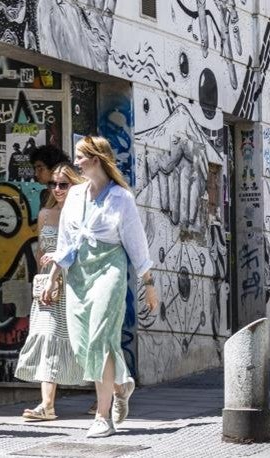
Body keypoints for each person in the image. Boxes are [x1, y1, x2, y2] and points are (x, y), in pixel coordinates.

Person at [42, 136, 158, 438]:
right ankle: (120, 386)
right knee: (82, 344)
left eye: (81, 157)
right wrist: (53, 277)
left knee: (100, 338)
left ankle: (102, 416)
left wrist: (148, 283)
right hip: (79, 274)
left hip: (110, 269)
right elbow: (66, 244)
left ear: (95, 159)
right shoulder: (76, 195)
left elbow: (136, 243)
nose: (76, 162)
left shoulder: (121, 198)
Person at [15, 163, 87, 421]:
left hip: (75, 283)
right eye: (53, 184)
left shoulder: (82, 213)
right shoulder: (45, 214)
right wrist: (41, 281)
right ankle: (47, 405)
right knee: (47, 335)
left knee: (88, 340)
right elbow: (38, 252)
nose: (57, 189)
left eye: (63, 184)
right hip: (49, 285)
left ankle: (113, 391)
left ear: (75, 185)